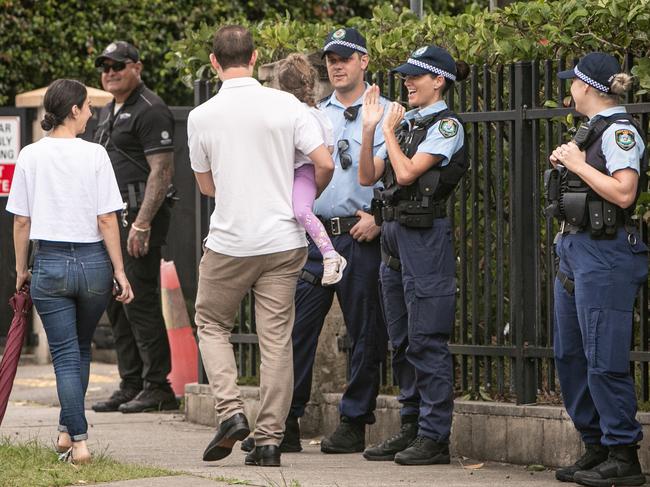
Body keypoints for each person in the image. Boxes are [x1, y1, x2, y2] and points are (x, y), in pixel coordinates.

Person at [188, 25, 334, 468]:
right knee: (276, 339)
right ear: (254, 59)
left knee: (211, 323)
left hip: (231, 240)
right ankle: (270, 440)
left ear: (214, 62)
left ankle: (231, 412)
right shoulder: (285, 105)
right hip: (283, 240)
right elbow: (323, 162)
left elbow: (207, 185)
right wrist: (304, 197)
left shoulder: (202, 116)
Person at [262, 27, 390, 456]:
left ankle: (354, 421)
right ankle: (288, 420)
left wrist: (380, 216)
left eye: (345, 57)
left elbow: (400, 176)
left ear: (364, 61)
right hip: (315, 237)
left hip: (359, 236)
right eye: (331, 59)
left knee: (365, 332)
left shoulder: (388, 111)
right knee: (296, 331)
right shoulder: (312, 111)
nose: (336, 65)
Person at [6, 79, 134, 464]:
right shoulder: (95, 155)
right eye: (88, 107)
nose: (92, 114)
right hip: (94, 263)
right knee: (79, 349)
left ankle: (77, 441)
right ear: (74, 110)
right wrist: (120, 272)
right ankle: (67, 434)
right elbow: (108, 219)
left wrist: (20, 269)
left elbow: (22, 222)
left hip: (50, 263)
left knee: (64, 353)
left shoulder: (30, 155)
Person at [358, 45, 469, 465]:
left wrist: (387, 131)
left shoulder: (445, 126)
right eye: (405, 76)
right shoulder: (405, 125)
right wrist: (371, 128)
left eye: (415, 76)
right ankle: (410, 426)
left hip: (424, 238)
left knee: (427, 339)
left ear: (438, 80)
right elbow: (369, 175)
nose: (406, 82)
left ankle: (434, 435)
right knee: (402, 340)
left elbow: (405, 174)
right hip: (393, 236)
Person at [547, 52, 647, 487]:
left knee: (604, 358)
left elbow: (624, 194)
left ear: (587, 87)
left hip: (605, 254)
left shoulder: (621, 132)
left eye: (573, 82)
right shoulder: (590, 132)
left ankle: (624, 457)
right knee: (570, 355)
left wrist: (576, 164)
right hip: (576, 249)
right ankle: (597, 446)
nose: (569, 88)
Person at [91, 41, 178, 414]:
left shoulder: (151, 109)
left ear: (136, 68)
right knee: (116, 302)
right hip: (113, 220)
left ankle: (158, 386)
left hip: (138, 219)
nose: (110, 72)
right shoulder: (109, 109)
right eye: (105, 66)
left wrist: (142, 224)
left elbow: (162, 170)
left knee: (139, 301)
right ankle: (131, 382)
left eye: (118, 65)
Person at [278, 53, 347, 286]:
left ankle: (330, 255)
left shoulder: (299, 114)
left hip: (303, 170)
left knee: (301, 211)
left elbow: (324, 156)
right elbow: (329, 146)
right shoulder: (319, 114)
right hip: (292, 172)